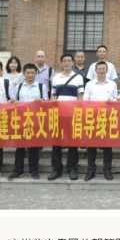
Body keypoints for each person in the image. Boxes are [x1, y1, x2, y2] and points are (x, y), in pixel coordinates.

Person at [8, 64, 49, 181]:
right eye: (28, 73)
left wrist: (42, 100)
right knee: (19, 147)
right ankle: (18, 170)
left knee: (34, 147)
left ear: (36, 73)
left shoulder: (41, 86)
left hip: (35, 120)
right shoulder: (18, 87)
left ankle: (33, 170)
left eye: (32, 73)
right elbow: (14, 102)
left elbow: (47, 103)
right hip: (21, 120)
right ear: (24, 73)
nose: (30, 75)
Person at [48, 53, 85, 181]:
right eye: (65, 61)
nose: (67, 63)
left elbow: (80, 96)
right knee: (56, 142)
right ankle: (56, 169)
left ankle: (72, 168)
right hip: (58, 114)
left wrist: (78, 112)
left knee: (72, 142)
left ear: (73, 63)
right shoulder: (56, 78)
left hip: (72, 114)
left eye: (69, 61)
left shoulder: (78, 78)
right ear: (61, 63)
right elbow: (53, 96)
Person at [83, 61, 118, 181]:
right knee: (91, 145)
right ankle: (90, 170)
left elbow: (116, 99)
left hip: (108, 117)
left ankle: (107, 170)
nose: (101, 71)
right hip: (92, 117)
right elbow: (85, 100)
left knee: (107, 145)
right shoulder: (90, 84)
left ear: (107, 70)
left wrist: (112, 101)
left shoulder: (112, 84)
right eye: (99, 69)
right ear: (95, 71)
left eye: (103, 69)